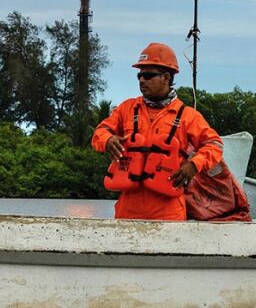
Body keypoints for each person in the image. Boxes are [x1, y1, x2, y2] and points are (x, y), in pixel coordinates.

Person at [92, 42, 224, 220]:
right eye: (139, 75)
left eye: (148, 75)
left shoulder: (187, 116)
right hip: (128, 209)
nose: (141, 80)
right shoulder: (127, 108)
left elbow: (214, 144)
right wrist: (107, 140)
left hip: (169, 210)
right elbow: (101, 131)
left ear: (166, 78)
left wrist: (194, 164)